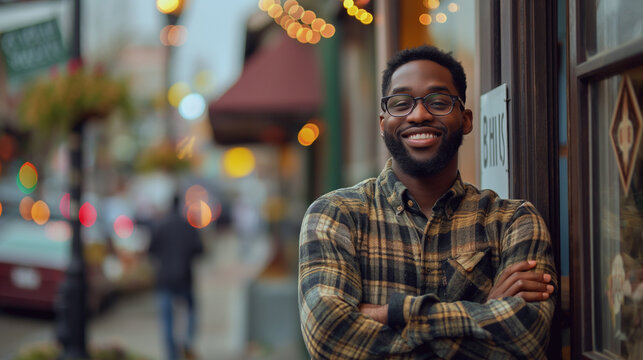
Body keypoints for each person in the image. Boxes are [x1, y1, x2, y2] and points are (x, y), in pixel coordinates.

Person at [298, 45, 557, 359]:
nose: (419, 114)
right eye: (401, 103)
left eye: (438, 101)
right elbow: (329, 338)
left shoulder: (512, 221)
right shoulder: (337, 215)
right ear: (383, 123)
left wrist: (388, 313)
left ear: (465, 119)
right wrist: (484, 311)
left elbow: (525, 340)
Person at [148, 194, 203, 360]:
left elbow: (151, 250)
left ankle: (171, 355)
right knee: (191, 311)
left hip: (164, 279)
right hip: (185, 276)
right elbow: (199, 250)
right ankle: (187, 340)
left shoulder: (160, 226)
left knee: (167, 320)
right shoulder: (188, 226)